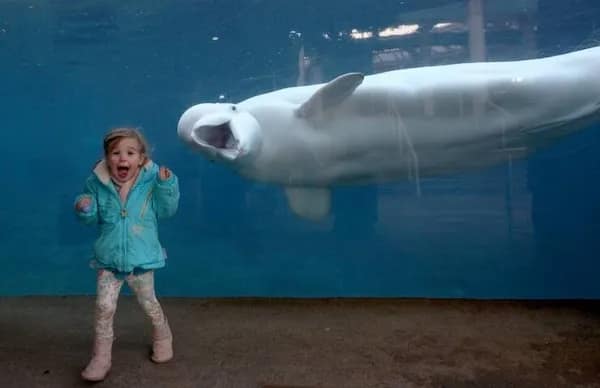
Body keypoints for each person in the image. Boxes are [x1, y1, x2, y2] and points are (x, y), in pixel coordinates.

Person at [74, 127, 180, 381]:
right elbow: (92, 217)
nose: (123, 159)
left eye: (130, 153)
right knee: (104, 307)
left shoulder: (153, 181)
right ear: (107, 157)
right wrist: (84, 207)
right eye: (116, 153)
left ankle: (163, 335)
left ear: (141, 158)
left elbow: (167, 212)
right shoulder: (96, 182)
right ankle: (101, 358)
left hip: (141, 259)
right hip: (109, 259)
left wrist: (167, 186)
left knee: (148, 303)